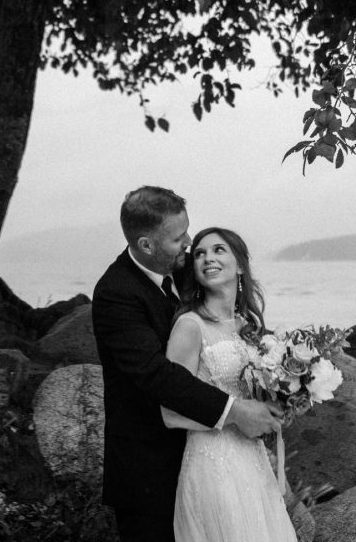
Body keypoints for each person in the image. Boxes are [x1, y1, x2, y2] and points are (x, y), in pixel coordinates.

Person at [92, 187, 282, 542]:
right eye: (179, 238)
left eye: (187, 231)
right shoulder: (116, 293)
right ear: (147, 245)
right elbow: (157, 374)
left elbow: (225, 326)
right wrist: (237, 411)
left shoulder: (182, 272)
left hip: (214, 460)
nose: (189, 244)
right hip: (149, 470)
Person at [162, 226, 297, 542]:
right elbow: (169, 411)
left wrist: (280, 407)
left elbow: (258, 394)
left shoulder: (250, 328)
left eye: (218, 250)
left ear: (240, 265)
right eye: (199, 253)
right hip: (213, 467)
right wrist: (236, 417)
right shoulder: (189, 326)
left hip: (255, 463)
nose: (207, 257)